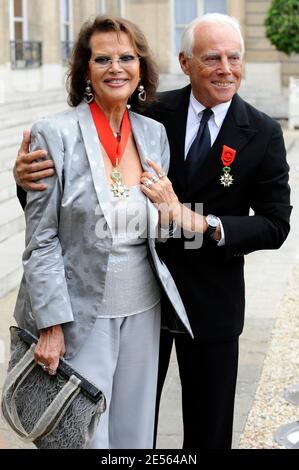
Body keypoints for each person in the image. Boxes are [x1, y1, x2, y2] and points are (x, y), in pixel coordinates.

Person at [14, 13, 292, 449]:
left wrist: (199, 222)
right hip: (140, 297)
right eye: (212, 58)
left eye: (234, 58)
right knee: (111, 427)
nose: (225, 69)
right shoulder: (152, 115)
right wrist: (26, 176)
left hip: (209, 303)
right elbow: (82, 202)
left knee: (206, 434)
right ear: (185, 62)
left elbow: (276, 224)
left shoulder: (262, 130)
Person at [11, 14, 192, 449]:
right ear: (85, 70)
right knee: (83, 434)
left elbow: (152, 230)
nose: (116, 67)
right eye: (103, 58)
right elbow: (42, 238)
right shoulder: (53, 133)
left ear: (142, 69)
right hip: (79, 312)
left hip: (143, 305)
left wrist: (171, 211)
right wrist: (51, 324)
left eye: (127, 57)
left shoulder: (154, 135)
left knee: (134, 428)